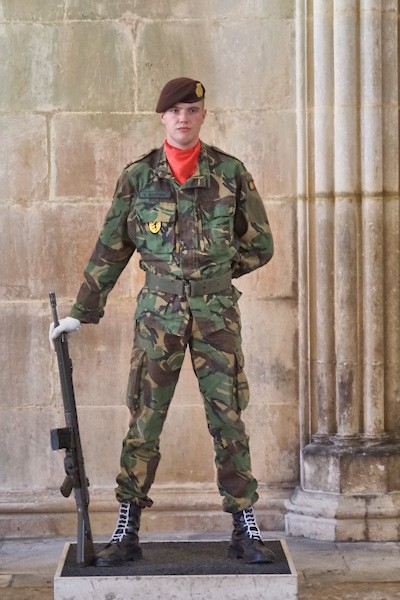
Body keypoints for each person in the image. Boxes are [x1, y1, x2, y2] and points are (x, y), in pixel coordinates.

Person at [50, 77, 275, 567]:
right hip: (159, 318)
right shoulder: (138, 178)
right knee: (144, 421)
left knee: (229, 419)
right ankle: (127, 527)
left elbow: (260, 245)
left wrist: (214, 273)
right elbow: (111, 249)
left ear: (202, 116)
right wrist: (80, 312)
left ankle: (245, 526)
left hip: (217, 316)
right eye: (174, 110)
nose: (182, 118)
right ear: (161, 117)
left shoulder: (231, 173)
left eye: (191, 109)